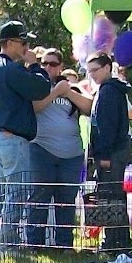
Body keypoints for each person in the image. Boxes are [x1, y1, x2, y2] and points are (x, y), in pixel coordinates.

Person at [0, 21, 53, 256]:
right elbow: (41, 88)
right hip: (12, 139)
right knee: (16, 194)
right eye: (22, 43)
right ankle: (9, 247)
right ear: (9, 43)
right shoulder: (11, 69)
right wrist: (35, 65)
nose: (26, 47)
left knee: (0, 195)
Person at [27, 48, 91, 250]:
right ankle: (35, 245)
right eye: (44, 63)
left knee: (66, 200)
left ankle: (64, 245)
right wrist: (55, 92)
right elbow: (34, 107)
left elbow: (90, 107)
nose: (47, 67)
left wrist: (68, 91)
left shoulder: (72, 88)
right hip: (42, 149)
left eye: (52, 64)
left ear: (61, 67)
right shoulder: (36, 86)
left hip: (72, 154)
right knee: (40, 196)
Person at [85, 52, 132, 255]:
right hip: (114, 152)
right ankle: (116, 242)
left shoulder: (109, 92)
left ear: (107, 68)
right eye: (89, 72)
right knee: (112, 197)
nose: (92, 75)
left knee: (111, 199)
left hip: (111, 155)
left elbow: (108, 127)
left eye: (95, 70)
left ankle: (117, 244)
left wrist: (104, 156)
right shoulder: (109, 90)